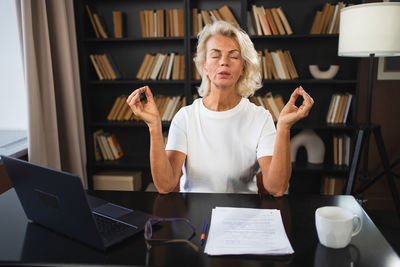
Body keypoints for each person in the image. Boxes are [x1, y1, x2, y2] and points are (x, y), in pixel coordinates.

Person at [127, 21, 313, 196]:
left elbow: (277, 188)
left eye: (233, 56)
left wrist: (283, 127)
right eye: (215, 55)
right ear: (205, 66)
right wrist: (153, 126)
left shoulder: (260, 118)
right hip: (194, 218)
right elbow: (165, 186)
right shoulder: (185, 117)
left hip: (242, 217)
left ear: (243, 68)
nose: (224, 62)